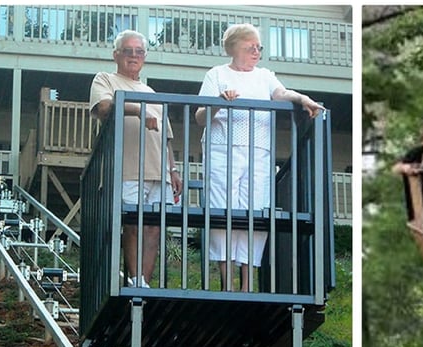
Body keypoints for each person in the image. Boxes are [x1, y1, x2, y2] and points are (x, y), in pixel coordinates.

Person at [196, 23, 323, 292]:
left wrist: (303, 98)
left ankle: (247, 284)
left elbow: (281, 93)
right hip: (222, 150)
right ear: (233, 48)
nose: (256, 51)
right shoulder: (216, 74)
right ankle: (227, 284)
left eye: (259, 47)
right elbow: (199, 117)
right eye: (250, 47)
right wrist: (219, 101)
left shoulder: (265, 76)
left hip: (259, 152)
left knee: (256, 211)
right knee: (222, 210)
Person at [89, 30, 182, 288]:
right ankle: (134, 280)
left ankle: (144, 284)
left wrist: (173, 169)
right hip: (128, 168)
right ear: (116, 55)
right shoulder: (106, 79)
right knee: (132, 222)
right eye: (127, 51)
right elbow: (104, 108)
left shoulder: (152, 92)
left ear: (145, 56)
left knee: (154, 227)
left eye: (139, 51)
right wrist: (138, 109)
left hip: (159, 171)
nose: (133, 56)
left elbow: (166, 138)